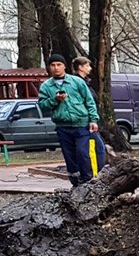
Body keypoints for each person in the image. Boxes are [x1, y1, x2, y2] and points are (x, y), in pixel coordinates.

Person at [37, 54, 103, 186]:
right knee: (69, 157)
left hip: (82, 125)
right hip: (63, 127)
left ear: (64, 66)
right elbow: (43, 106)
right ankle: (76, 183)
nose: (56, 68)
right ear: (49, 67)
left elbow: (89, 102)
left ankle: (89, 180)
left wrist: (93, 120)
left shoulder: (76, 82)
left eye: (59, 65)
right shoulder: (46, 86)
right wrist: (55, 100)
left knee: (84, 154)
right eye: (53, 65)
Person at [69, 56, 108, 175]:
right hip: (86, 123)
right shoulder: (78, 83)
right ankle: (93, 175)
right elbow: (85, 102)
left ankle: (95, 174)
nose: (90, 68)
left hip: (90, 121)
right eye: (87, 66)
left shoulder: (86, 82)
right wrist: (91, 119)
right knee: (94, 149)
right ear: (80, 67)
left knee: (98, 148)